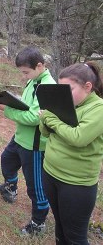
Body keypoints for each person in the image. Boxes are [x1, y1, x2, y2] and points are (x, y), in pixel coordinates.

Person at [0, 46, 56, 235]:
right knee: (7, 160)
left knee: (35, 185)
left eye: (26, 72)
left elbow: (36, 118)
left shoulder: (48, 86)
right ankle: (10, 188)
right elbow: (29, 106)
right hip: (21, 138)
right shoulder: (33, 80)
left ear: (40, 65)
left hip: (35, 145)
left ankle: (38, 222)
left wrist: (7, 110)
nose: (24, 76)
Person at [40, 62, 103, 244]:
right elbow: (45, 133)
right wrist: (44, 120)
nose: (63, 95)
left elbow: (78, 137)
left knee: (75, 236)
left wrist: (51, 120)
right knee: (60, 226)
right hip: (51, 173)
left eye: (69, 89)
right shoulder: (67, 103)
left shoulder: (98, 109)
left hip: (76, 184)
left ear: (88, 87)